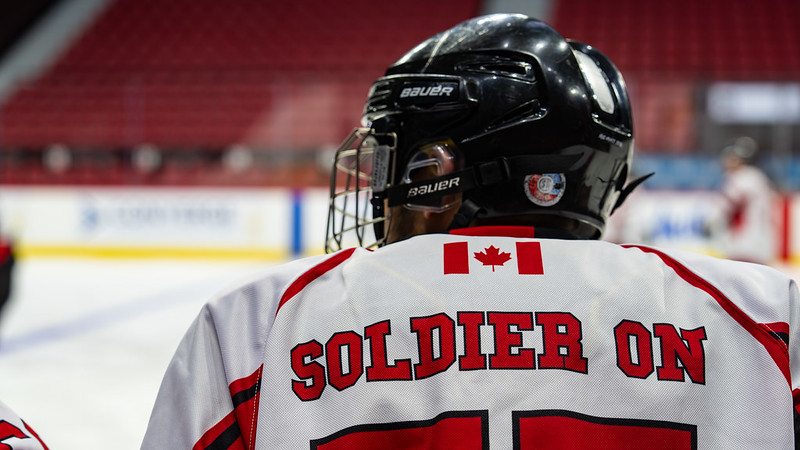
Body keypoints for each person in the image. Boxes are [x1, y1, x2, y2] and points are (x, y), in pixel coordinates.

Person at [142, 14, 799, 449]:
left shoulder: (256, 329)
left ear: (443, 173)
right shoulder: (770, 321)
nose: (380, 187)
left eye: (397, 157)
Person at [708, 137, 777, 264]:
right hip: (762, 245)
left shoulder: (741, 178)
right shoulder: (758, 178)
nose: (725, 160)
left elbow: (726, 205)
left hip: (743, 245)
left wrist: (711, 222)